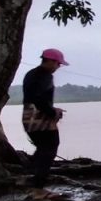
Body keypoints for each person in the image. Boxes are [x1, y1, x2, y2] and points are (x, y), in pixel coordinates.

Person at [21, 48, 68, 188]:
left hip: (28, 116)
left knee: (42, 148)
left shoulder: (31, 74)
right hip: (39, 117)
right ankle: (38, 188)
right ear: (50, 61)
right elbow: (39, 99)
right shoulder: (45, 76)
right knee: (50, 148)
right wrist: (53, 113)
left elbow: (34, 97)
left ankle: (29, 177)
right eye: (57, 64)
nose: (58, 67)